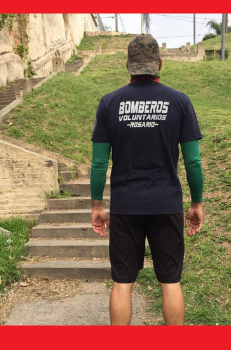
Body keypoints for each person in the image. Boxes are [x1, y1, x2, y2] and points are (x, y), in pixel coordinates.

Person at [90, 34, 205, 326]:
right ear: (159, 64)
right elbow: (192, 161)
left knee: (122, 283)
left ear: (128, 65)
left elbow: (99, 162)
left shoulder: (108, 103)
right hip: (166, 204)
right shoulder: (180, 102)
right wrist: (196, 204)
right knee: (170, 282)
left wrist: (96, 207)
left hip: (126, 206)